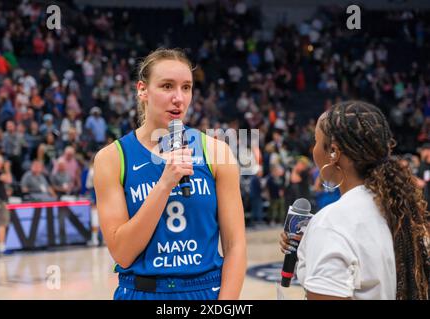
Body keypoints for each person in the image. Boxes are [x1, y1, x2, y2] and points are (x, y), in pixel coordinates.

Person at [93, 48, 246, 300]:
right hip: (141, 291)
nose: (178, 98)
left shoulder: (217, 152)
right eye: (167, 86)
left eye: (186, 87)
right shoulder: (111, 158)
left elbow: (235, 246)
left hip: (204, 291)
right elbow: (122, 253)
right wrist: (164, 184)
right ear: (142, 90)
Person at [280, 101, 429, 300]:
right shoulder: (398, 208)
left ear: (333, 152)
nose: (313, 149)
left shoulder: (331, 223)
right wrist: (309, 246)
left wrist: (321, 238)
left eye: (315, 141)